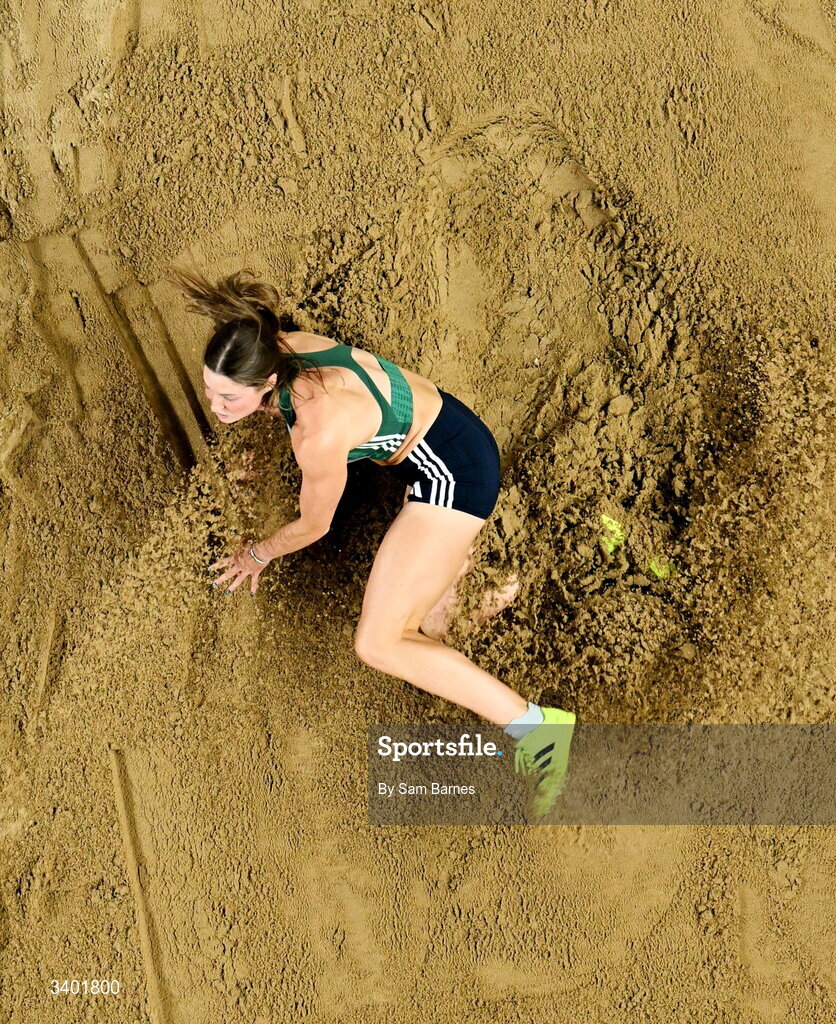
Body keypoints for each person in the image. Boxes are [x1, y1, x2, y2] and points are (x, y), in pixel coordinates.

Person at [169, 266, 575, 817]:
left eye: (227, 398)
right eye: (210, 390)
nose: (216, 407)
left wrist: (256, 553)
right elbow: (301, 417)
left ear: (266, 382)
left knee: (379, 645)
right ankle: (486, 578)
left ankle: (539, 730)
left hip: (452, 476)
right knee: (433, 630)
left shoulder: (317, 432)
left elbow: (314, 526)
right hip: (450, 434)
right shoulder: (288, 349)